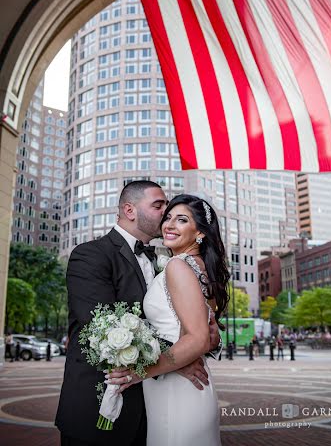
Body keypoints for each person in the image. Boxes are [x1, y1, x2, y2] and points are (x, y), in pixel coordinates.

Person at [56, 182, 219, 446]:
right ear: (130, 210)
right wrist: (180, 355)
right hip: (98, 410)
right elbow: (101, 327)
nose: (165, 213)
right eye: (159, 206)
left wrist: (205, 337)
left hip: (149, 408)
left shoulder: (167, 261)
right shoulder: (90, 255)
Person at [107, 194, 230, 446]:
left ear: (200, 233)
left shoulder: (178, 266)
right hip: (187, 386)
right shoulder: (199, 267)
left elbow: (198, 340)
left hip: (178, 392)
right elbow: (206, 334)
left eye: (182, 220)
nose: (169, 225)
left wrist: (137, 373)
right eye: (168, 217)